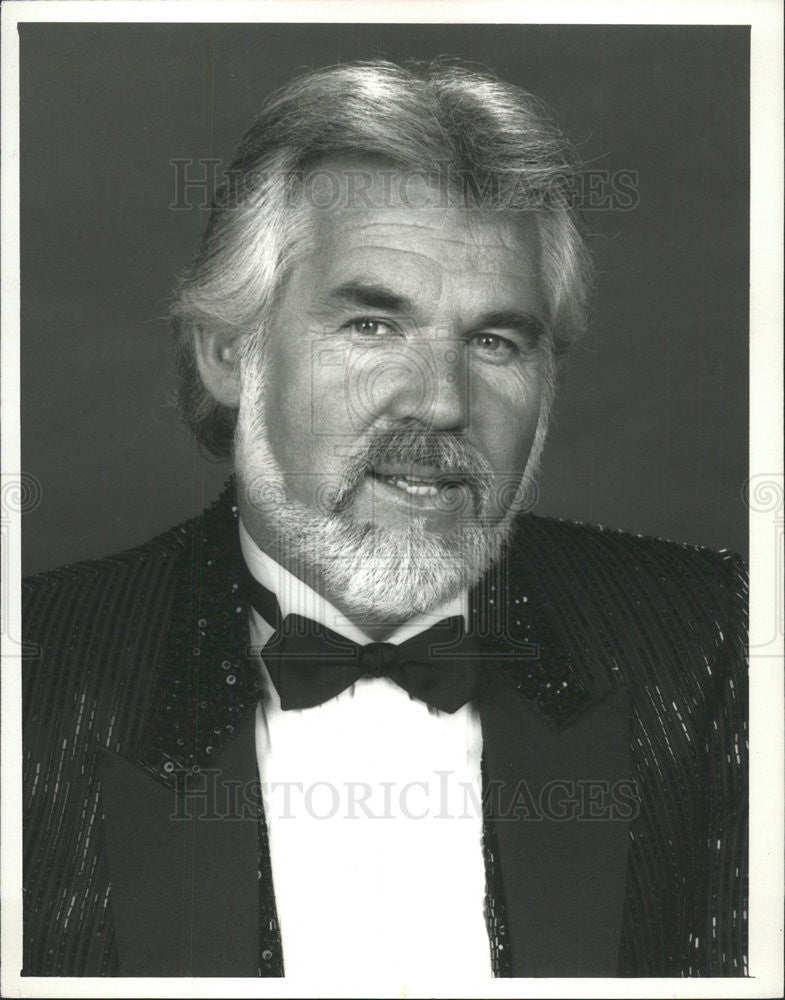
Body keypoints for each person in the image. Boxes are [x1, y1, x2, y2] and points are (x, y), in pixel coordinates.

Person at [22, 59, 747, 981]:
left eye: (496, 341)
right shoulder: (31, 680)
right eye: (371, 326)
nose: (440, 404)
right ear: (228, 358)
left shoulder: (721, 644)